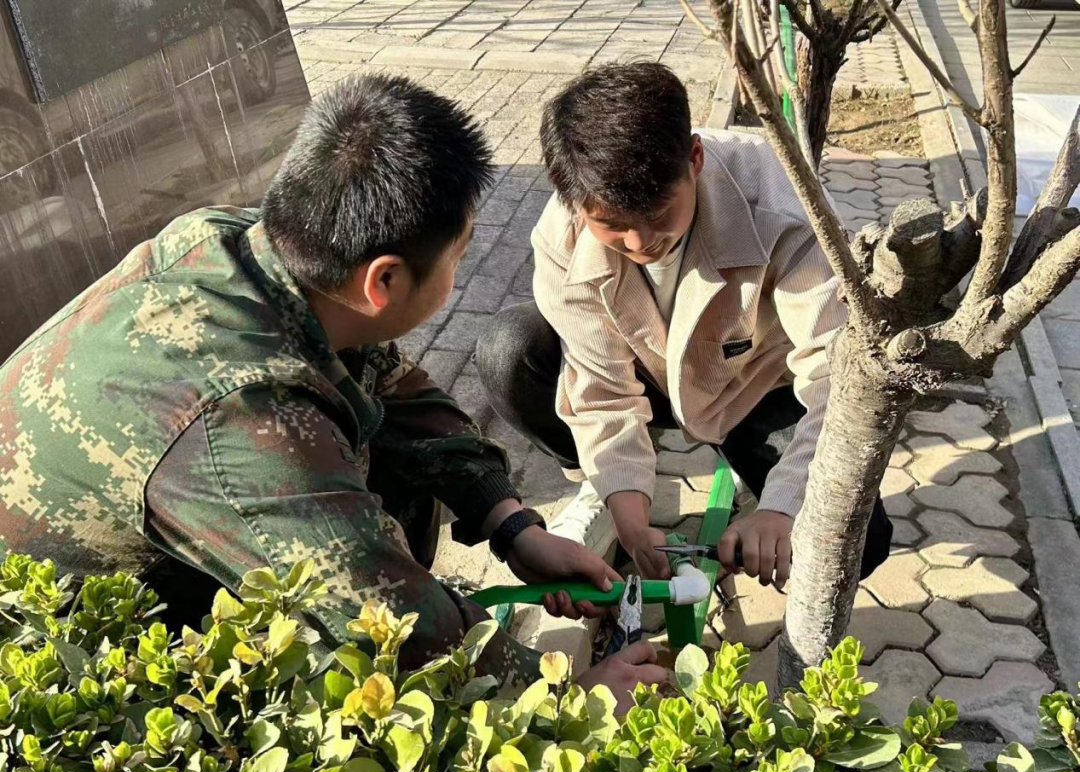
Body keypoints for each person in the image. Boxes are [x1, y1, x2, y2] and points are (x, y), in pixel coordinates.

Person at [0, 74, 666, 707]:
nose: (461, 271)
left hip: (165, 516)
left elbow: (396, 387)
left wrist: (510, 521)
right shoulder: (244, 423)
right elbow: (387, 617)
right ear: (383, 282)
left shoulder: (245, 246)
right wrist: (566, 695)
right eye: (461, 254)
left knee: (389, 457)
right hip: (58, 651)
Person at [476, 63, 893, 590]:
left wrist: (784, 505)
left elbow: (839, 378)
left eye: (658, 213)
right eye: (613, 226)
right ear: (574, 203)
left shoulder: (785, 207)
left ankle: (756, 480)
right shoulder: (562, 236)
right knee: (509, 350)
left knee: (857, 541)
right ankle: (596, 488)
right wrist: (630, 512)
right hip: (647, 375)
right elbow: (602, 392)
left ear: (694, 159)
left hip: (755, 384)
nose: (640, 242)